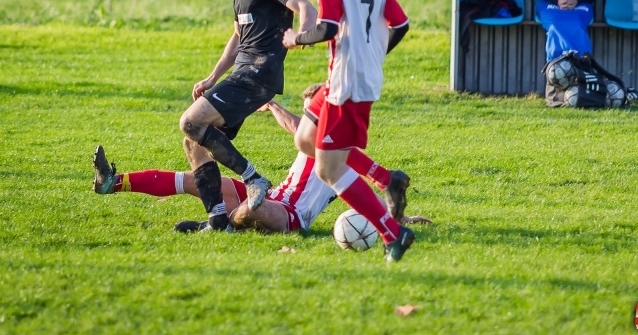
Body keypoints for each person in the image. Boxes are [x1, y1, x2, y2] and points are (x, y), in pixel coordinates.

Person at [92, 85, 430, 233]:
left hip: (288, 216)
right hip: (270, 195)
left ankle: (214, 227)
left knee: (255, 209)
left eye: (314, 108)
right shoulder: (311, 142)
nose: (310, 115)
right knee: (192, 149)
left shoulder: (340, 152)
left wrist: (400, 219)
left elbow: (370, 194)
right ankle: (112, 183)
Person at [282, 0, 413, 262]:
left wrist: (297, 37)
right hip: (355, 77)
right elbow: (400, 25)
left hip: (347, 83)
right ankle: (388, 179)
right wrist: (373, 53)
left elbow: (327, 28)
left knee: (328, 169)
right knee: (305, 138)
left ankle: (393, 233)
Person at [177, 0, 317, 232]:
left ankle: (253, 177)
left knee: (190, 121)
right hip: (241, 73)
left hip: (259, 74)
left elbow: (303, 6)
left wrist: (302, 36)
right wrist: (213, 76)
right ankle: (217, 221)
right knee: (194, 143)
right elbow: (239, 35)